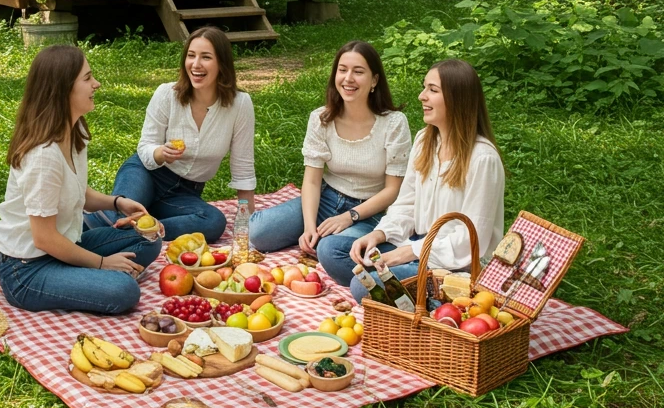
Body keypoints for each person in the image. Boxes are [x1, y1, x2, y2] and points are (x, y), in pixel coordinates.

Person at [0, 45, 162, 315]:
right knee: (123, 291)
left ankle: (81, 276)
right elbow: (44, 238)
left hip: (68, 244)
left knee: (148, 239)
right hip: (28, 270)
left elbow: (77, 190)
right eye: (87, 78)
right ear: (62, 89)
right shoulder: (43, 157)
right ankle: (90, 278)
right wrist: (102, 263)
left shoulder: (74, 129)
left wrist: (118, 202)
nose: (97, 84)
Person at [248, 41, 411, 290]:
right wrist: (309, 226)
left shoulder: (394, 123)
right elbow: (312, 180)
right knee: (259, 232)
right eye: (342, 70)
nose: (348, 78)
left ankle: (391, 264)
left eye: (358, 71)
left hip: (369, 212)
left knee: (329, 250)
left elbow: (393, 190)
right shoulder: (321, 118)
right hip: (327, 198)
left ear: (374, 80)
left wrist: (350, 217)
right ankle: (332, 242)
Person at [348, 58, 505, 303]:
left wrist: (406, 254)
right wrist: (379, 234)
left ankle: (429, 299)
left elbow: (473, 239)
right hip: (416, 246)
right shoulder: (425, 140)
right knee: (335, 250)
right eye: (425, 88)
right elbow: (406, 203)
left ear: (457, 99)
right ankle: (405, 296)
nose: (422, 96)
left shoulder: (483, 159)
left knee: (362, 286)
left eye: (432, 90)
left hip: (455, 267)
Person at [102, 27, 255, 244]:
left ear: (222, 64)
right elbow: (145, 146)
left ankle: (148, 227)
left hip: (183, 194)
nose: (196, 64)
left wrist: (247, 228)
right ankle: (118, 231)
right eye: (191, 56)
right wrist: (160, 153)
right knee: (121, 214)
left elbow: (243, 169)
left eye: (206, 57)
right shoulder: (167, 94)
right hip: (146, 173)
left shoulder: (240, 105)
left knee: (213, 222)